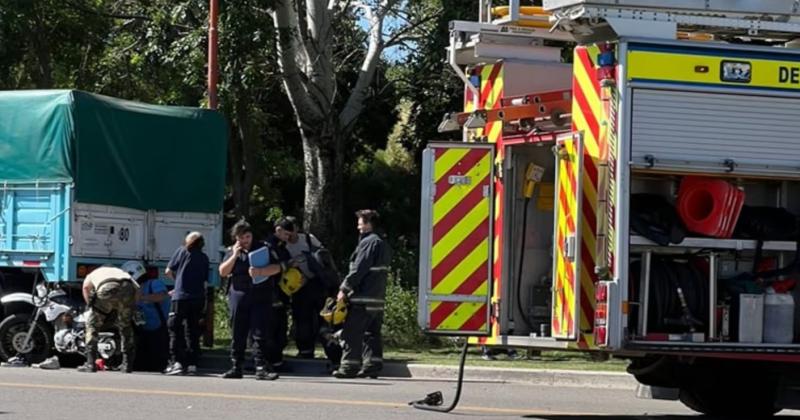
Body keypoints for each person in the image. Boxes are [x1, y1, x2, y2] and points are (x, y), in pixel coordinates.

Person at [218, 220, 283, 380]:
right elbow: (223, 272)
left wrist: (261, 271)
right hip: (239, 295)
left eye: (247, 236)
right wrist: (234, 255)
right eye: (241, 238)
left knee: (259, 332)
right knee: (238, 332)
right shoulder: (232, 251)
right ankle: (236, 366)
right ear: (236, 238)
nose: (245, 240)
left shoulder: (264, 248)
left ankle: (261, 367)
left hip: (260, 295)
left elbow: (278, 267)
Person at [333, 209, 392, 379]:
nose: (358, 227)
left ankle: (348, 368)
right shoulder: (383, 242)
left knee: (352, 332)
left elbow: (359, 269)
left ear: (369, 224)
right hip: (377, 297)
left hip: (362, 297)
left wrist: (344, 288)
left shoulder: (369, 242)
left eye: (361, 223)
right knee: (371, 334)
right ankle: (372, 365)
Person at [274, 217, 325, 359]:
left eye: (292, 230)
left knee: (323, 318)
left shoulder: (308, 239)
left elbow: (322, 256)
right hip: (297, 286)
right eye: (287, 232)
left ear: (296, 228)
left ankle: (331, 350)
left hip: (316, 282)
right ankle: (305, 351)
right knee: (302, 318)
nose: (289, 235)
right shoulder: (282, 245)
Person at [77, 262, 141, 373]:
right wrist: (131, 306)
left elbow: (86, 287)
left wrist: (91, 305)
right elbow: (138, 289)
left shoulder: (93, 273)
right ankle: (127, 365)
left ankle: (90, 363)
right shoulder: (122, 272)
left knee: (92, 326)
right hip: (127, 288)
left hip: (107, 288)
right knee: (125, 327)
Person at [163, 231, 209, 376]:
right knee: (192, 331)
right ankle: (192, 364)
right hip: (198, 297)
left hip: (181, 297)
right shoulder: (204, 258)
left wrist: (177, 284)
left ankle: (176, 362)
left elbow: (168, 271)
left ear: (189, 241)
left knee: (175, 329)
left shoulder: (182, 251)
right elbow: (204, 280)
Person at [134, 270, 170, 372]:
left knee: (158, 357)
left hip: (159, 327)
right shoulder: (134, 290)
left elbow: (162, 295)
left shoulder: (153, 283)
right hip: (144, 329)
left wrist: (141, 298)